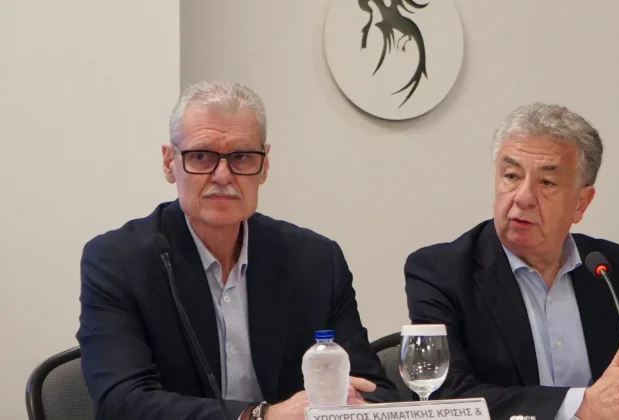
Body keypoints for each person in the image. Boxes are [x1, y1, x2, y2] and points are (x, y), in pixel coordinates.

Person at [77, 81, 397, 420]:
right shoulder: (118, 261)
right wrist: (261, 417)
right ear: (170, 163)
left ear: (264, 166)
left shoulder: (315, 261)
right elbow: (122, 402)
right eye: (201, 156)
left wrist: (354, 406)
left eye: (241, 157)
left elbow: (374, 390)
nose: (222, 175)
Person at [404, 103, 619, 420]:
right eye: (511, 176)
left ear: (581, 203)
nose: (523, 197)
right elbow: (446, 397)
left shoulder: (618, 271)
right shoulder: (441, 272)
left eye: (547, 183)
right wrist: (582, 405)